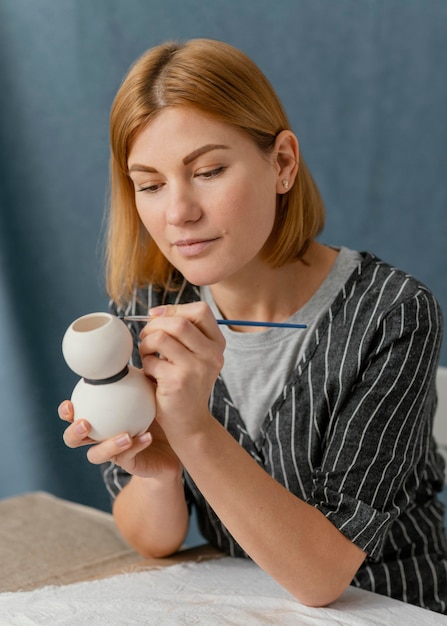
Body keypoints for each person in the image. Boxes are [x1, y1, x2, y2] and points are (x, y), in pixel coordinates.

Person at [59, 38, 447, 613]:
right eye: (150, 184)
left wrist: (191, 428)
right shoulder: (150, 308)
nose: (178, 212)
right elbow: (153, 540)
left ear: (282, 164)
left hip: (390, 609)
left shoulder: (391, 313)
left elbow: (322, 577)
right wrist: (159, 471)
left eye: (209, 170)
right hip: (242, 607)